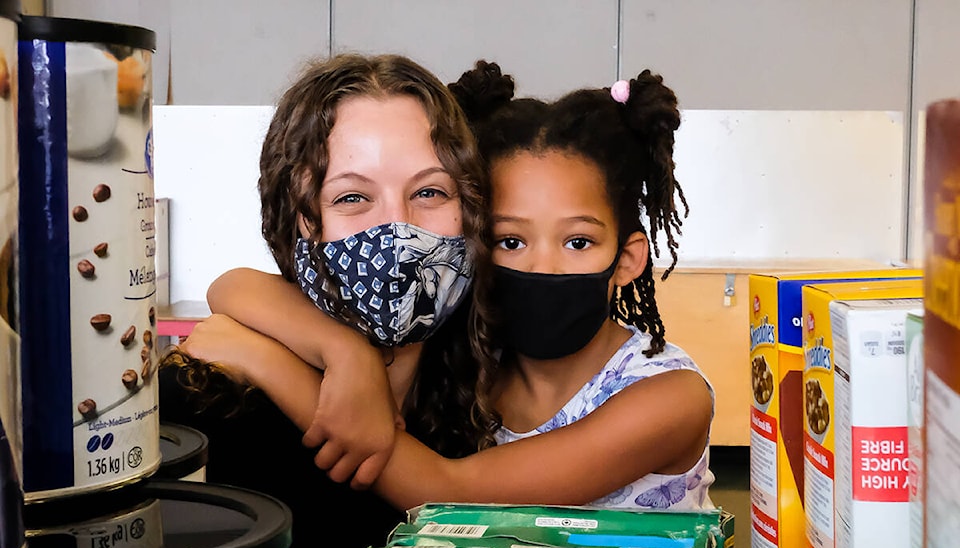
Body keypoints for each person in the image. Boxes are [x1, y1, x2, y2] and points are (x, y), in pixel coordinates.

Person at [189, 61, 716, 512]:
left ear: (626, 258)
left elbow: (448, 493)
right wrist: (348, 354)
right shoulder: (468, 355)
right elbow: (234, 286)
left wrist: (273, 364)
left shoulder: (671, 396)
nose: (542, 268)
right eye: (510, 241)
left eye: (577, 242)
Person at [158, 52, 492, 548]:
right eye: (351, 198)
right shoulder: (205, 414)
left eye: (431, 193)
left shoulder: (490, 398)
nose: (399, 229)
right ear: (297, 220)